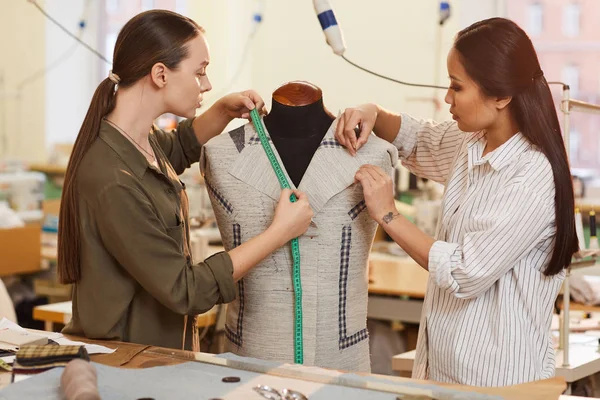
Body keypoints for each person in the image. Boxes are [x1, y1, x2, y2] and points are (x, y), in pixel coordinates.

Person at [335, 17, 578, 386]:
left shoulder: (531, 174)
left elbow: (464, 272)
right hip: (445, 370)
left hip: (497, 382)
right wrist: (372, 111)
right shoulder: (473, 141)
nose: (447, 98)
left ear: (501, 95)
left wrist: (388, 215)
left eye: (456, 87)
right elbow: (417, 139)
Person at [58, 10, 313, 351]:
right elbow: (185, 289)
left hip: (157, 355)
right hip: (125, 362)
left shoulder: (137, 141)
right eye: (200, 72)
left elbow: (178, 147)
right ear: (160, 74)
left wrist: (221, 110)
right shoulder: (111, 177)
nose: (207, 84)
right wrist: (279, 232)